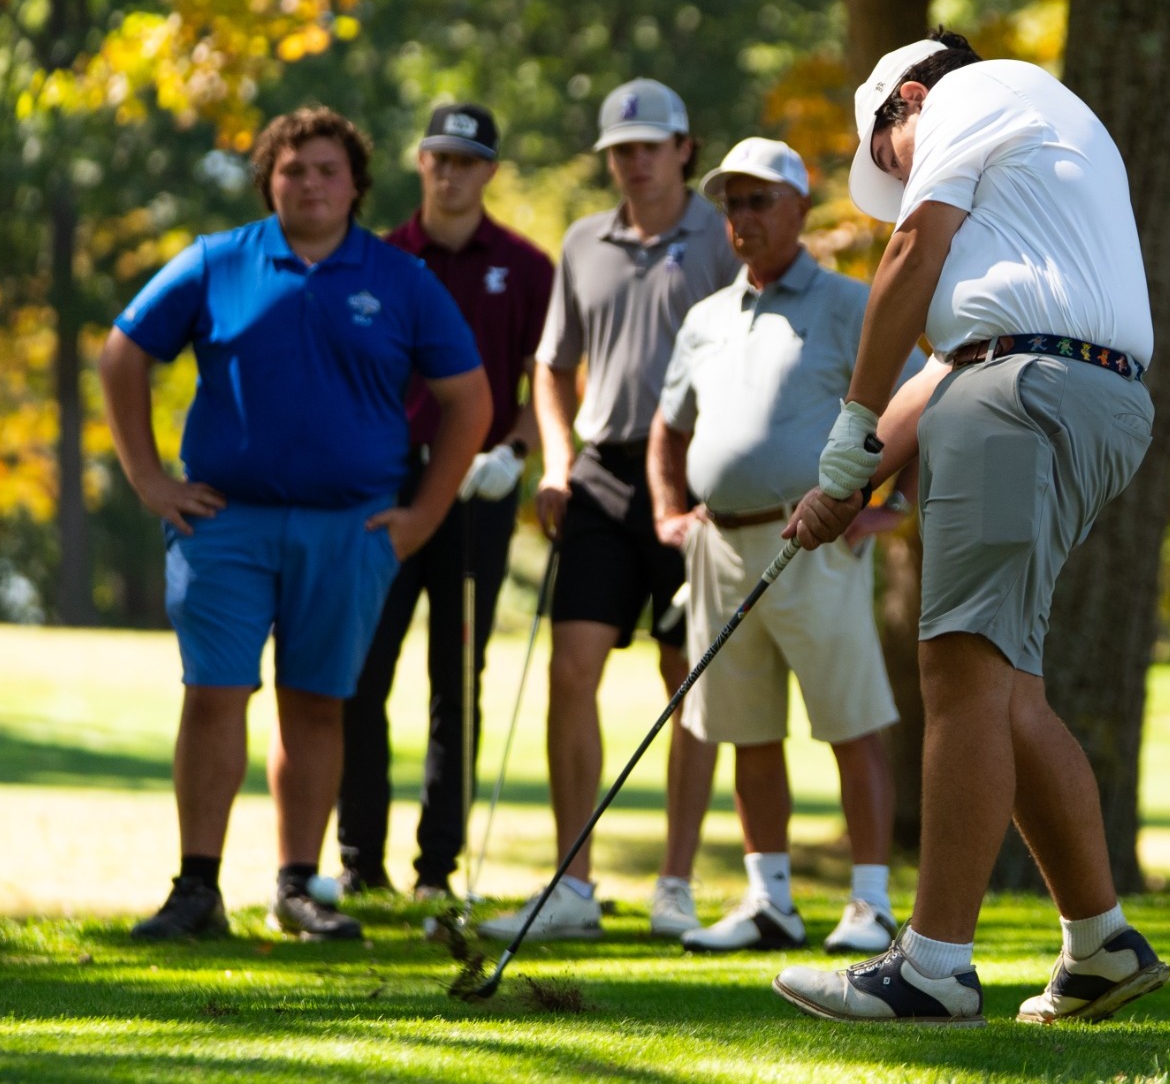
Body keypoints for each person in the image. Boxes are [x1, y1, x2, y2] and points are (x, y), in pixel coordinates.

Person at [771, 32, 1170, 1025]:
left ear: (908, 99)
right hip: (1064, 392)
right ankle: (1099, 946)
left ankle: (933, 966)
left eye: (887, 155)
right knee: (1005, 690)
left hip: (1022, 397)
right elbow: (953, 356)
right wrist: (849, 479)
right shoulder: (1033, 161)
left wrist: (847, 426)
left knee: (954, 666)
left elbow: (913, 250)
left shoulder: (978, 90)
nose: (896, 184)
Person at [101, 106, 493, 943]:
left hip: (351, 529)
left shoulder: (400, 279)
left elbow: (470, 400)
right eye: (292, 170)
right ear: (268, 181)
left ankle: (297, 886)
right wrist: (147, 477)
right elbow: (122, 352)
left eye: (326, 170)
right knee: (214, 694)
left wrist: (422, 517)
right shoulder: (218, 262)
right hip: (225, 523)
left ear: (355, 184)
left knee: (316, 705)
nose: (310, 184)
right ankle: (196, 889)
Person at [477, 79, 742, 944]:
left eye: (649, 146)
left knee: (687, 681)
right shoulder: (585, 241)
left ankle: (675, 882)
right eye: (620, 150)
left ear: (683, 149)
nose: (633, 162)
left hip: (696, 483)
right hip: (598, 477)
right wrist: (555, 462)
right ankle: (573, 886)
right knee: (570, 671)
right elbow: (552, 367)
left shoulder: (723, 235)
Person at [649, 138, 923, 956]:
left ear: (801, 208)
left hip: (818, 541)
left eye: (760, 199)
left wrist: (892, 506)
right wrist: (669, 508)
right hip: (720, 546)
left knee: (850, 722)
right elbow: (670, 427)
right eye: (732, 202)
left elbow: (916, 397)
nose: (743, 216)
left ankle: (870, 904)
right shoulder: (703, 317)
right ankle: (771, 899)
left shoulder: (848, 303)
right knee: (746, 728)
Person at [336, 102, 553, 902]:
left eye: (468, 160)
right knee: (363, 666)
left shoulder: (528, 268)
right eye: (440, 157)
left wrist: (515, 453)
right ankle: (360, 860)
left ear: (491, 170)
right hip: (387, 487)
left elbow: (551, 383)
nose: (452, 172)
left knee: (456, 675)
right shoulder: (380, 259)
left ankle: (436, 868)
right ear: (421, 163)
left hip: (481, 489)